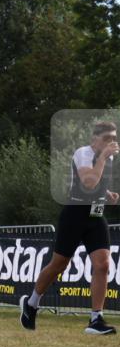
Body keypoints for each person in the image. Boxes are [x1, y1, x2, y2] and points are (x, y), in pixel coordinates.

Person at [21, 121, 119, 335]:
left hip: (96, 216)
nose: (111, 143)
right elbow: (89, 182)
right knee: (59, 265)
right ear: (95, 139)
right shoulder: (83, 153)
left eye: (113, 138)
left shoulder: (108, 157)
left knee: (102, 265)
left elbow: (98, 184)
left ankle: (96, 319)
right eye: (106, 139)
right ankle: (32, 303)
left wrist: (107, 194)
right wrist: (102, 158)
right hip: (74, 215)